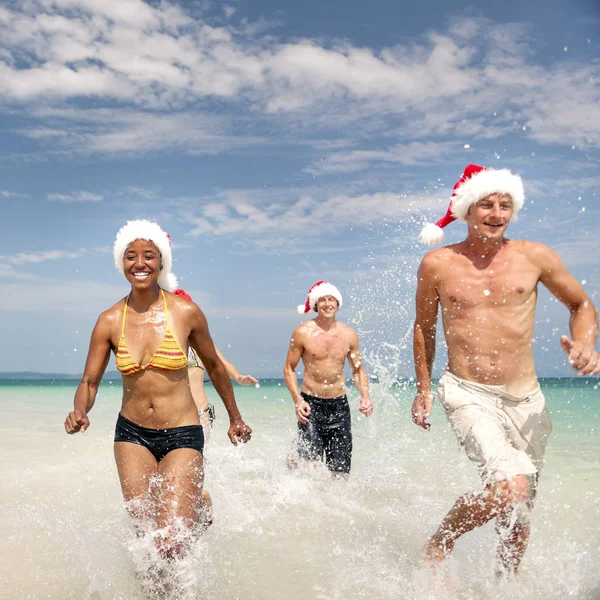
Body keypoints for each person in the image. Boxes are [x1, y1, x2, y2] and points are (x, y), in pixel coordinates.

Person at [412, 164, 599, 577]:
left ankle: (505, 584)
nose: (496, 214)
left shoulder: (534, 256)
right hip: (467, 391)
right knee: (509, 487)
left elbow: (581, 305)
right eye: (487, 205)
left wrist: (585, 343)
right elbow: (424, 328)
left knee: (520, 512)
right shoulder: (437, 263)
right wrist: (424, 389)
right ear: (467, 210)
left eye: (505, 205)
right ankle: (440, 540)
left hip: (527, 398)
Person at [64, 219, 252, 562]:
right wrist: (81, 411)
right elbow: (89, 382)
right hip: (132, 435)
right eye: (130, 256)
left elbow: (214, 367)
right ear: (121, 263)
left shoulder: (185, 313)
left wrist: (235, 418)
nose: (139, 264)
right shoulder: (109, 320)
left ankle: (196, 514)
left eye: (148, 255)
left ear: (161, 261)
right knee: (146, 539)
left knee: (172, 542)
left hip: (183, 434)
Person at [283, 280, 373, 477]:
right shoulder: (303, 332)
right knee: (310, 470)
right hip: (311, 406)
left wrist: (365, 396)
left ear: (337, 303)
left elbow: (358, 370)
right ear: (316, 304)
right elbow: (289, 368)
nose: (327, 304)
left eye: (331, 299)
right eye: (322, 300)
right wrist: (298, 402)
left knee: (340, 474)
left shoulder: (349, 334)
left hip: (339, 408)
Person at [173, 288, 258, 446]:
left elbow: (221, 363)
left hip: (200, 412)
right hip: (172, 414)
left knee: (198, 461)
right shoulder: (165, 344)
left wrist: (239, 377)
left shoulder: (201, 343)